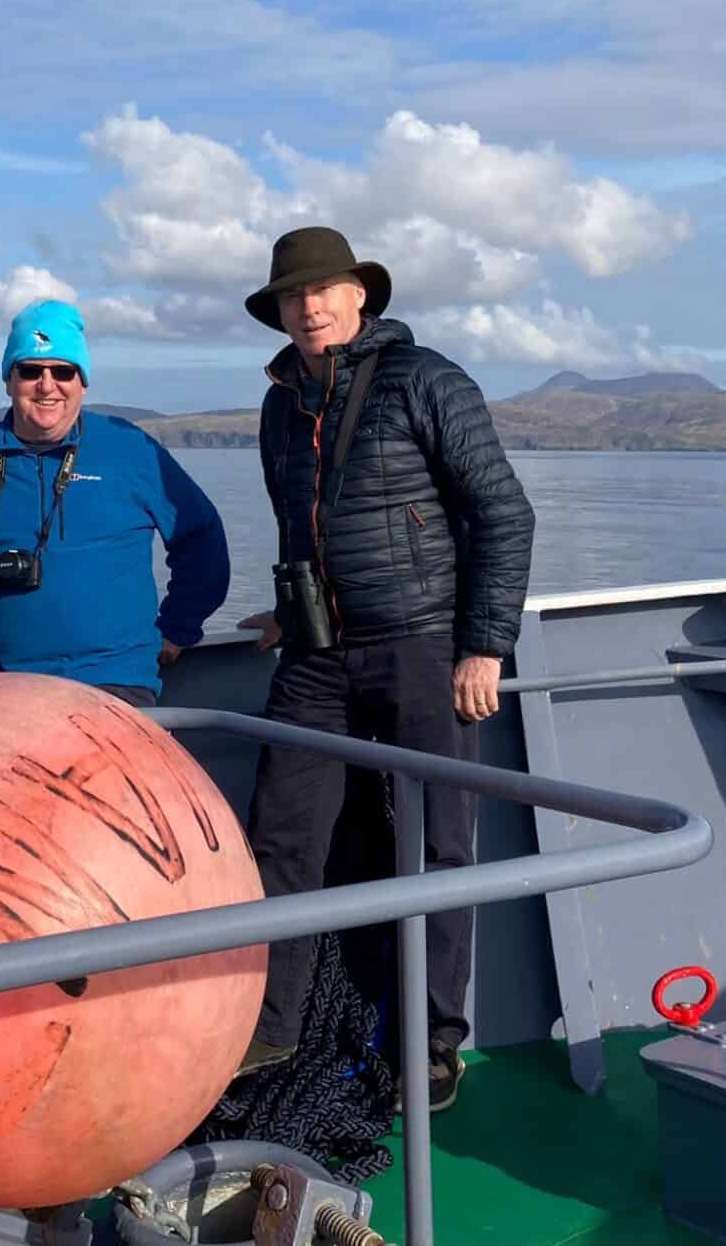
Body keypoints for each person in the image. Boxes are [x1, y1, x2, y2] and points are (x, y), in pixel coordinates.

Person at [235, 226, 534, 1113]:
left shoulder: (425, 379)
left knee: (441, 844)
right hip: (318, 655)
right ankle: (272, 1025)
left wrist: (483, 643)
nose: (310, 306)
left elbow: (503, 515)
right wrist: (288, 610)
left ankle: (434, 1045)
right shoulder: (281, 403)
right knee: (283, 837)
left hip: (422, 646)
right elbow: (305, 528)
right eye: (293, 295)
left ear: (360, 294)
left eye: (324, 288)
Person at [0, 298, 230, 706]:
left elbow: (199, 537)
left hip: (114, 686)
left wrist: (179, 626)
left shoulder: (128, 448)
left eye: (63, 371)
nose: (47, 385)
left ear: (82, 382)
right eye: (30, 371)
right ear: (9, 380)